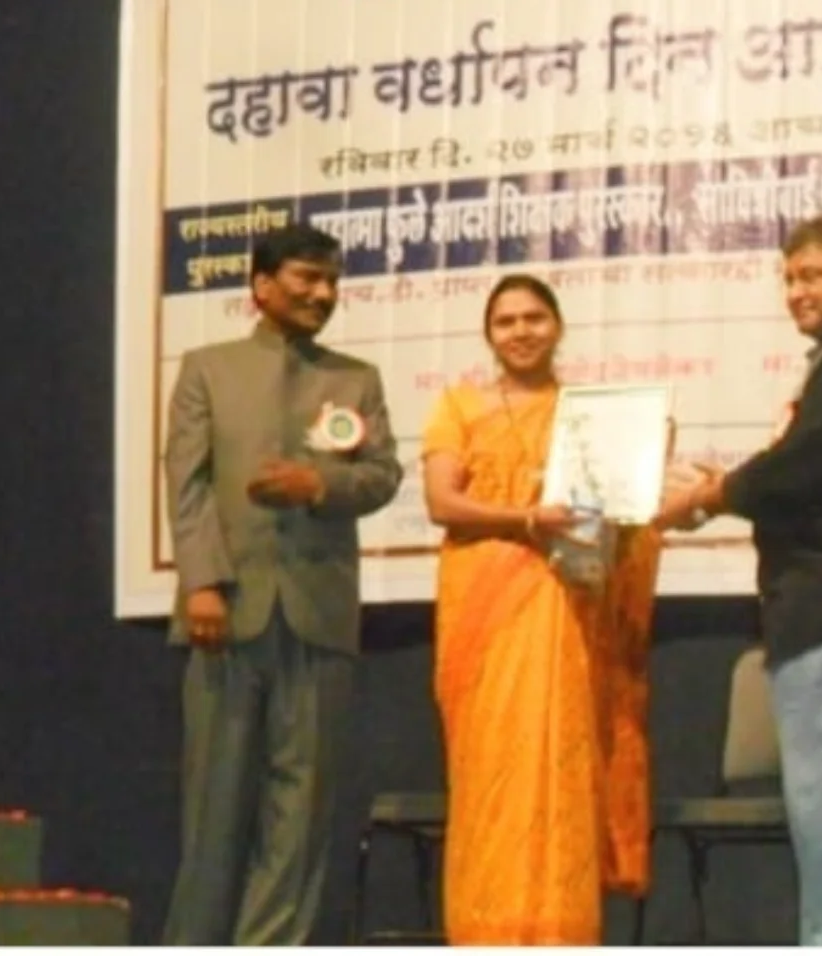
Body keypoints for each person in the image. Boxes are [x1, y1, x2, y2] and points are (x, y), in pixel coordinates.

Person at [657, 213, 822, 946]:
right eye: (788, 278)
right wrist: (724, 488)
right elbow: (812, 469)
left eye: (814, 275)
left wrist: (711, 495)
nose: (796, 291)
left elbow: (799, 466)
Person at [161, 224, 403, 944]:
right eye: (306, 278)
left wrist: (318, 485)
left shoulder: (355, 379)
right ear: (262, 286)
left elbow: (382, 476)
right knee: (215, 807)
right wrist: (203, 583)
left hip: (318, 616)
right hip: (227, 613)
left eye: (332, 281)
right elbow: (187, 484)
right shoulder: (208, 368)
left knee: (300, 816)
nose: (323, 294)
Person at [420, 273, 664, 945]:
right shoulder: (459, 406)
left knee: (559, 768)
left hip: (566, 608)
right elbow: (442, 502)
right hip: (485, 611)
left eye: (534, 318)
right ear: (488, 335)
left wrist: (648, 478)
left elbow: (625, 516)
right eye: (506, 321)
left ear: (557, 327)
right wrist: (526, 519)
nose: (521, 331)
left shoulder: (591, 415)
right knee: (489, 780)